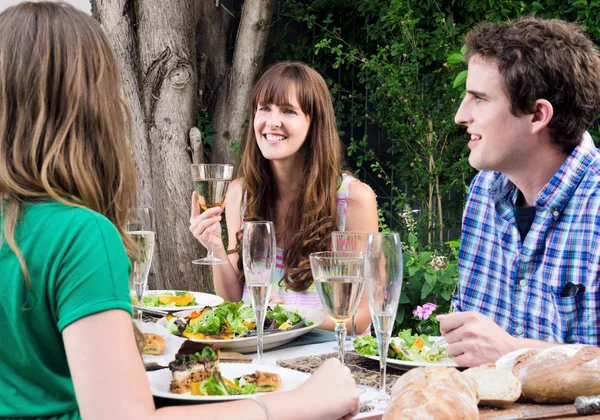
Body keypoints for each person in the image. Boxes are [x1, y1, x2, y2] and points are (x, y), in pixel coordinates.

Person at [0, 3, 360, 419]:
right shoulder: (79, 236)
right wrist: (300, 402)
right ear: (86, 106)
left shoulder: (349, 195)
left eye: (289, 111)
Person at [438, 18, 600, 367]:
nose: (460, 115)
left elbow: (502, 351)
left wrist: (517, 353)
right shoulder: (485, 189)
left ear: (537, 115)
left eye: (479, 98)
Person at [189, 62, 378, 333]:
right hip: (261, 356)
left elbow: (362, 317)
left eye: (288, 110)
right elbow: (232, 299)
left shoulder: (353, 200)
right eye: (264, 108)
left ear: (314, 124)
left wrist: (291, 316)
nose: (272, 121)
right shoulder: (241, 194)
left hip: (326, 359)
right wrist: (215, 246)